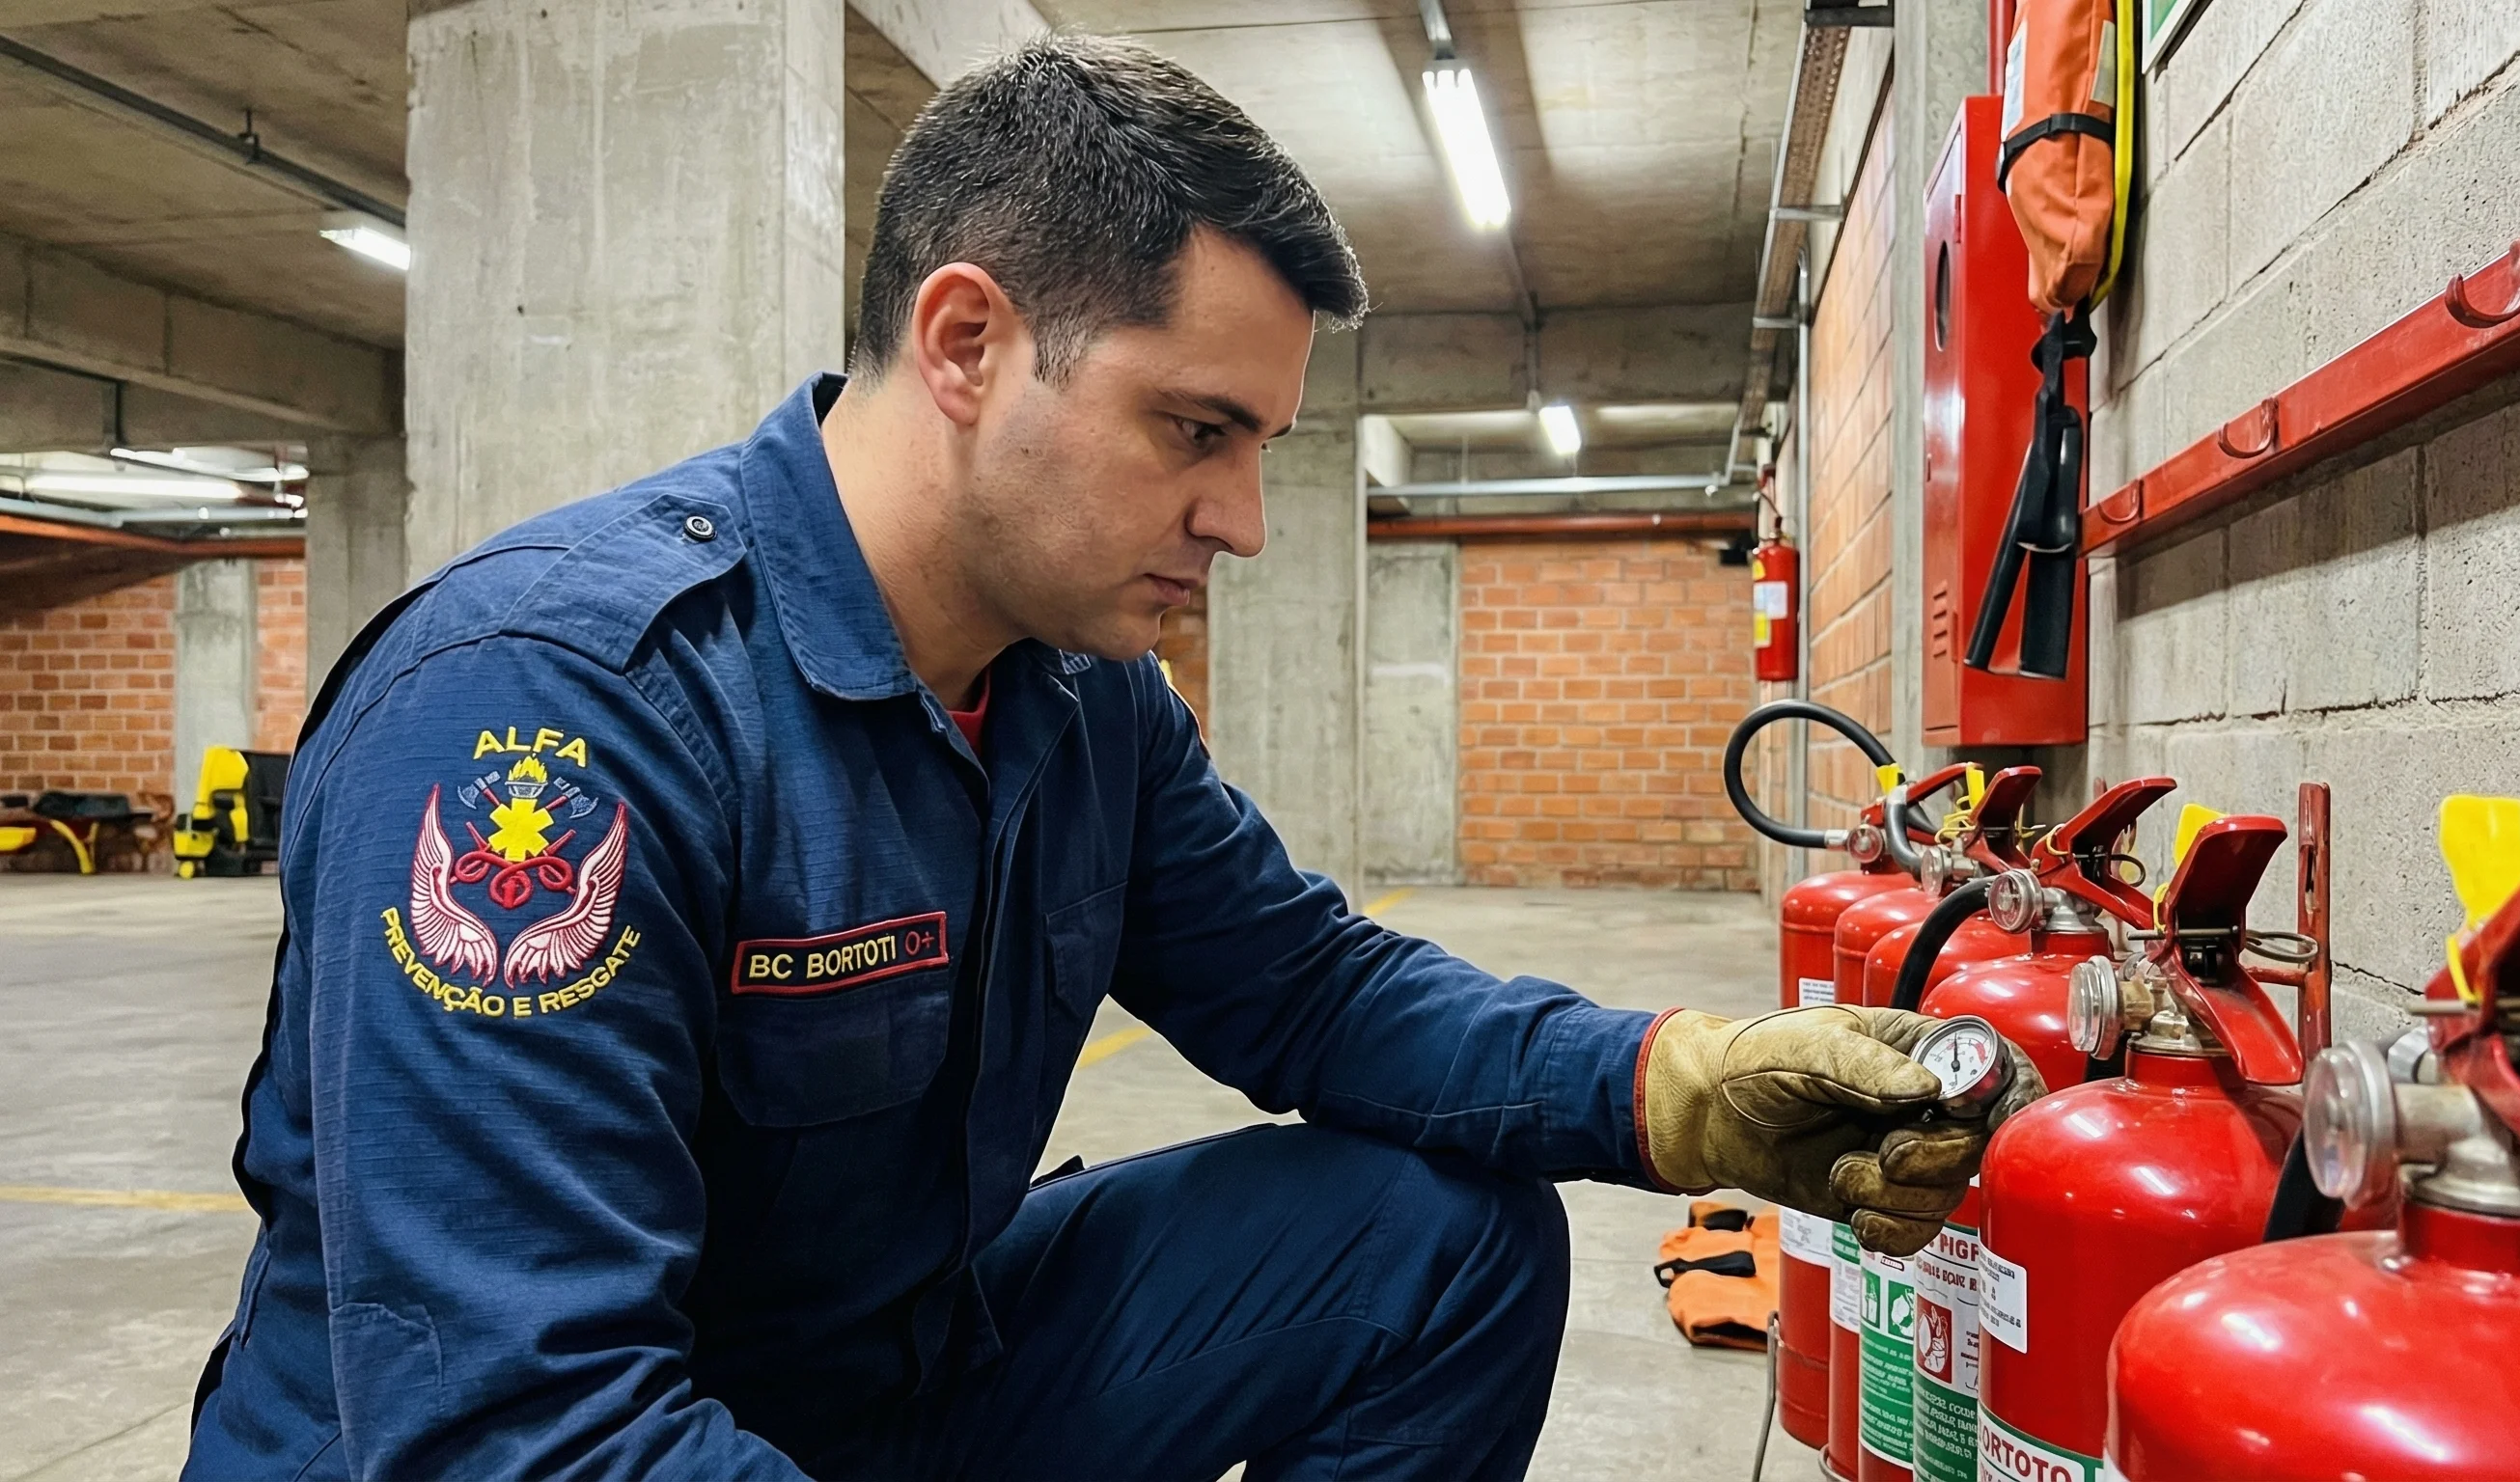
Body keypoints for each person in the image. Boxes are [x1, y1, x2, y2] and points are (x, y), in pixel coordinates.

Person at [182, 34, 2039, 1482]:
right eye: (1196, 430)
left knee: (1440, 1242)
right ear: (971, 340)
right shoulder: (562, 718)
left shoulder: (1074, 695)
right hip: (552, 1446)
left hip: (872, 1389)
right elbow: (524, 1429)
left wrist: (1673, 1085)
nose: (1241, 518)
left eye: (1262, 448)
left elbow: (1309, 993)